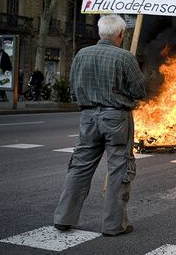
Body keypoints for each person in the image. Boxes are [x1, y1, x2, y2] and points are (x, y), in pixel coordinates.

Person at [54, 14, 146, 236]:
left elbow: (73, 90)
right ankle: (114, 225)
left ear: (100, 32)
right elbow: (140, 91)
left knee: (80, 166)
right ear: (121, 35)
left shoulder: (81, 55)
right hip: (116, 118)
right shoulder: (124, 57)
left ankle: (63, 218)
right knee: (118, 168)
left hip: (87, 117)